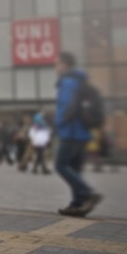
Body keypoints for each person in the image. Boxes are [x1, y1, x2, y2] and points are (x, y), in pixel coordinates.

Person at [54, 52, 103, 217]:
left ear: (65, 64)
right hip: (82, 133)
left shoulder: (67, 81)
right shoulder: (80, 81)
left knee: (60, 165)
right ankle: (77, 204)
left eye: (57, 64)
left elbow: (68, 106)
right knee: (74, 168)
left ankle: (87, 192)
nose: (55, 67)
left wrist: (59, 123)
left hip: (71, 131)